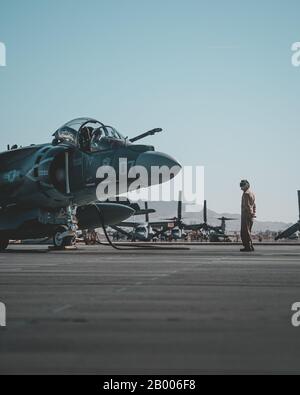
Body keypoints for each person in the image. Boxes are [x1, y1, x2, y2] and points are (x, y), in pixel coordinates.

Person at [240, 180, 256, 252]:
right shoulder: (252, 193)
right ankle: (250, 246)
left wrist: (249, 214)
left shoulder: (246, 194)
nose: (241, 187)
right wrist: (253, 213)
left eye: (242, 185)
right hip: (250, 215)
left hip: (246, 215)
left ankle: (248, 246)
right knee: (248, 231)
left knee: (245, 231)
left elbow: (247, 206)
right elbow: (254, 205)